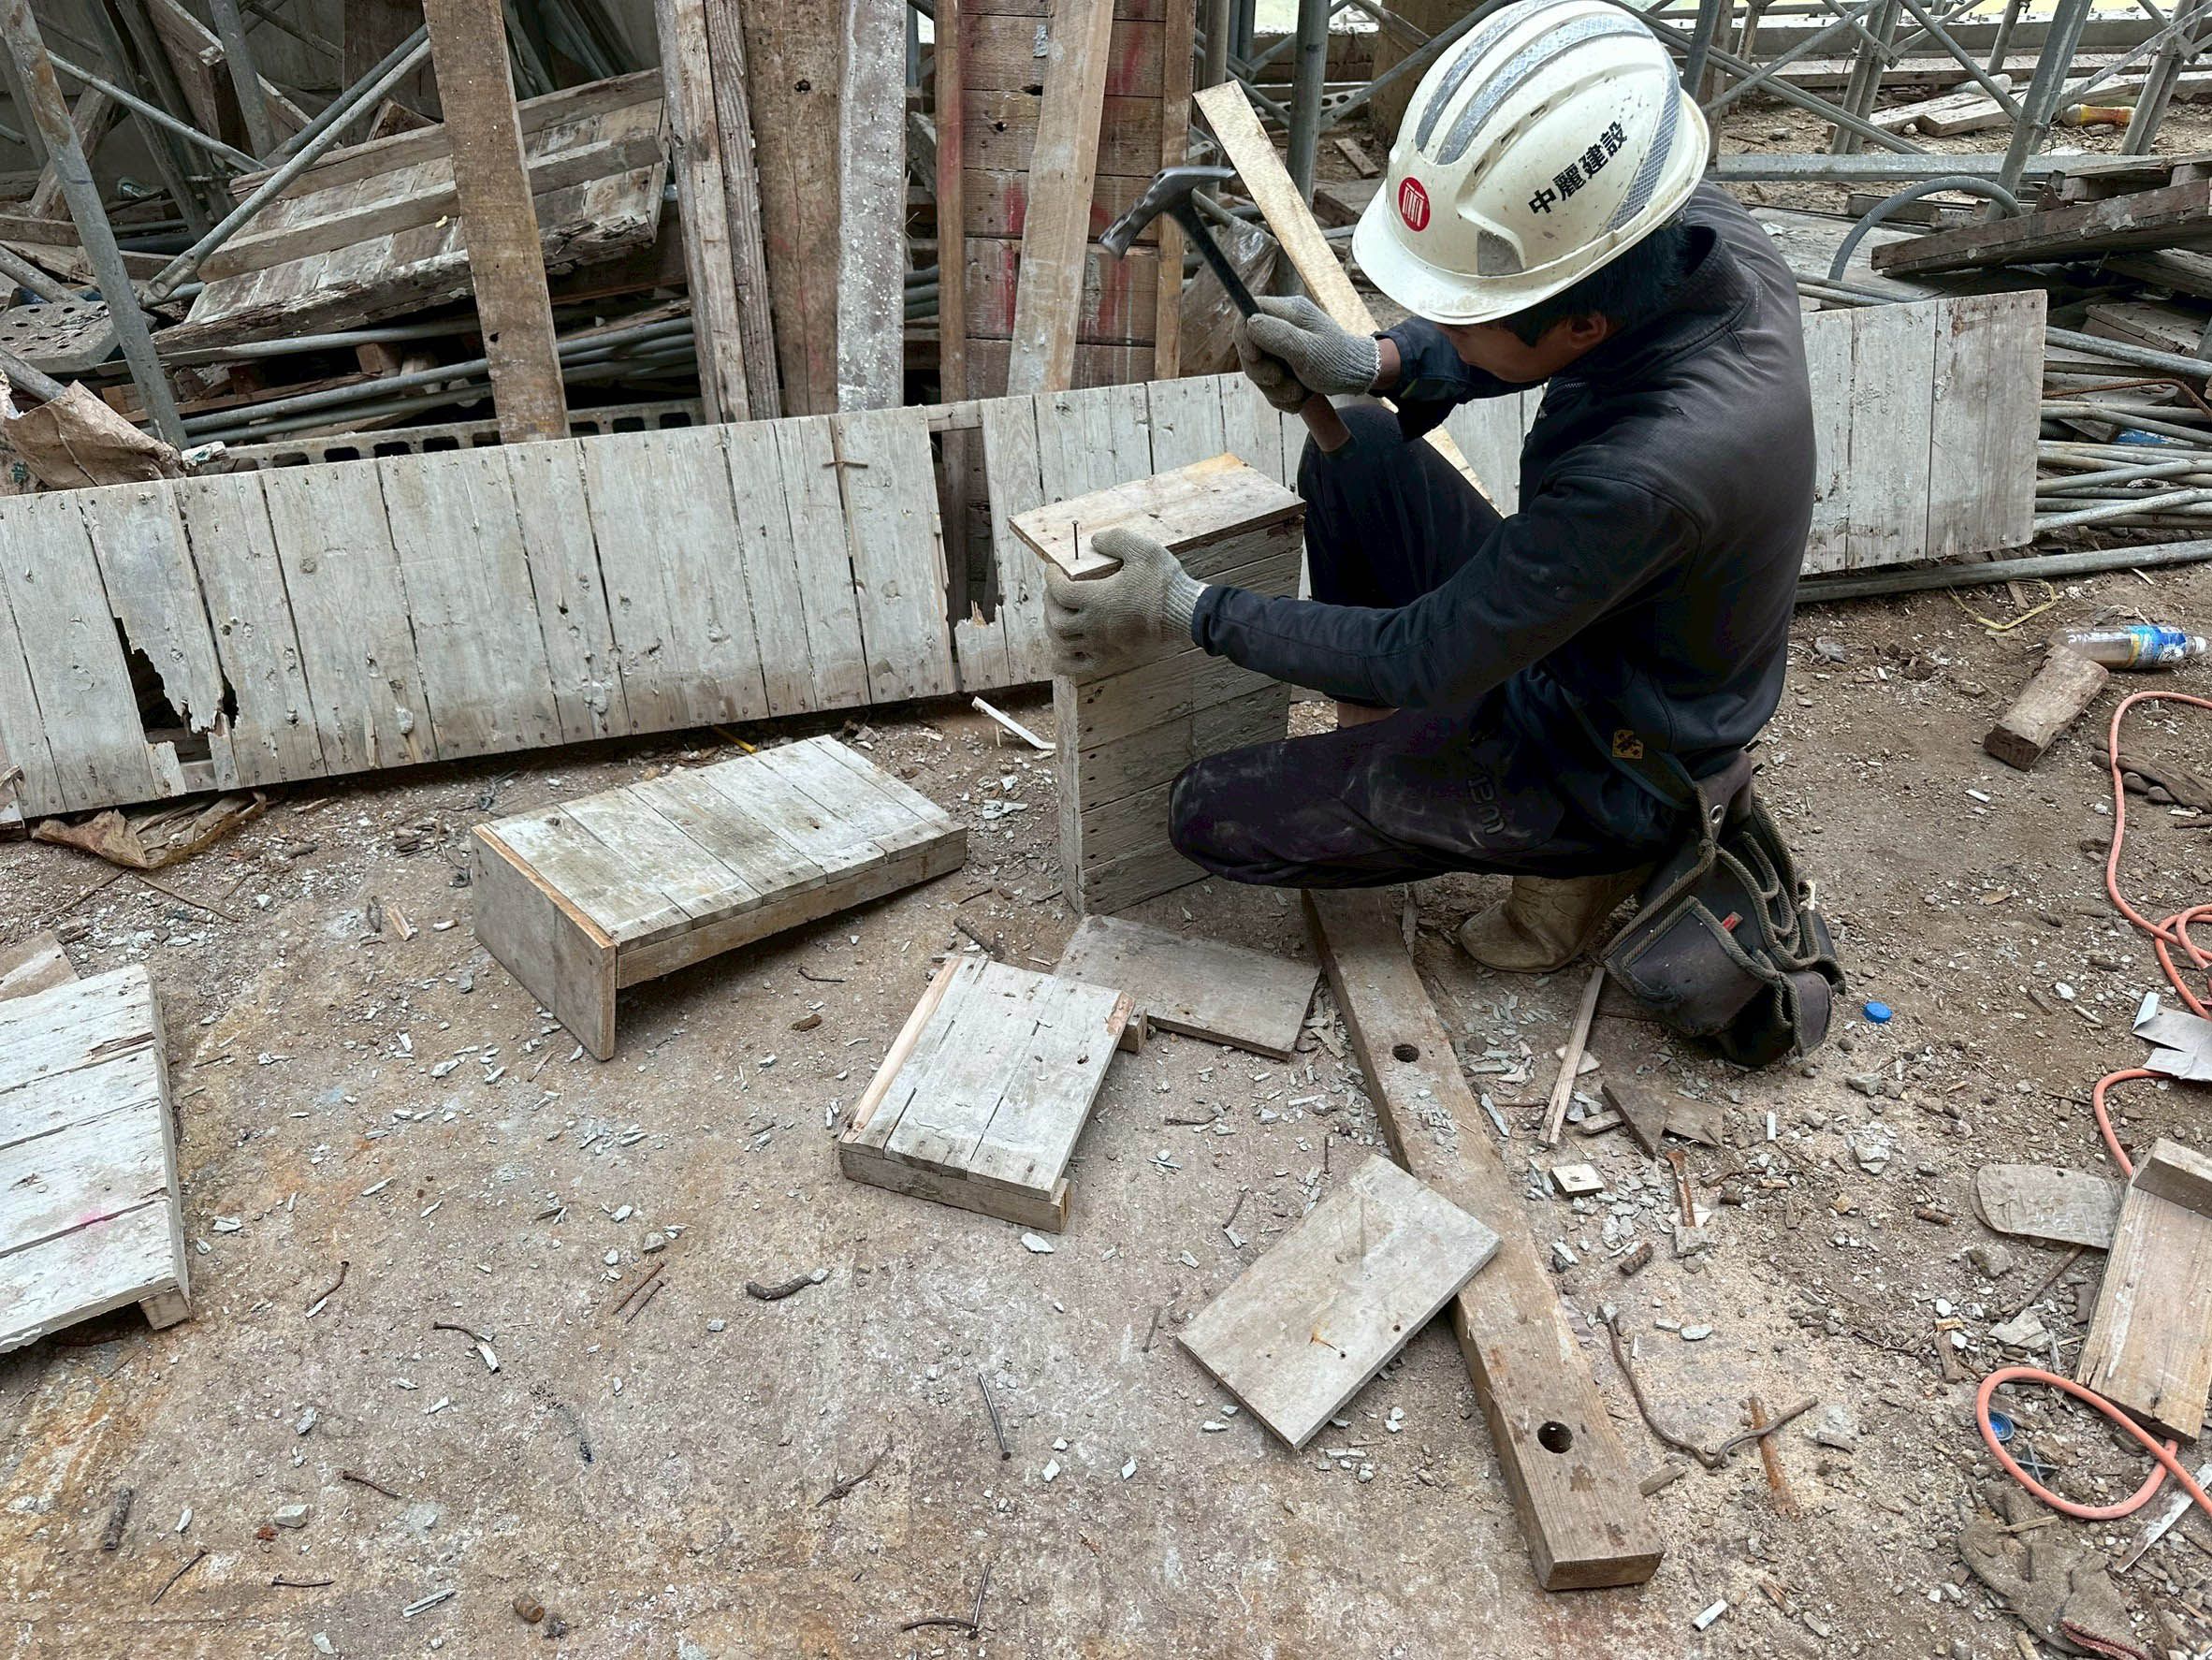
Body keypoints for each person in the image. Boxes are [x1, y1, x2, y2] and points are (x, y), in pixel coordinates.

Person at [1043, 0, 1815, 975]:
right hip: (1597, 630)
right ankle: (1405, 755)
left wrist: (1184, 607)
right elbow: (1524, 336)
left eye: (1460, 318)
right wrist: (1379, 362)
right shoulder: (1676, 232)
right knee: (1364, 449)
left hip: (1613, 750)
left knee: (1209, 812)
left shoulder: (1653, 470)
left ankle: (1596, 855)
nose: (1437, 325)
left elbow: (1423, 652)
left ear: (1581, 326)